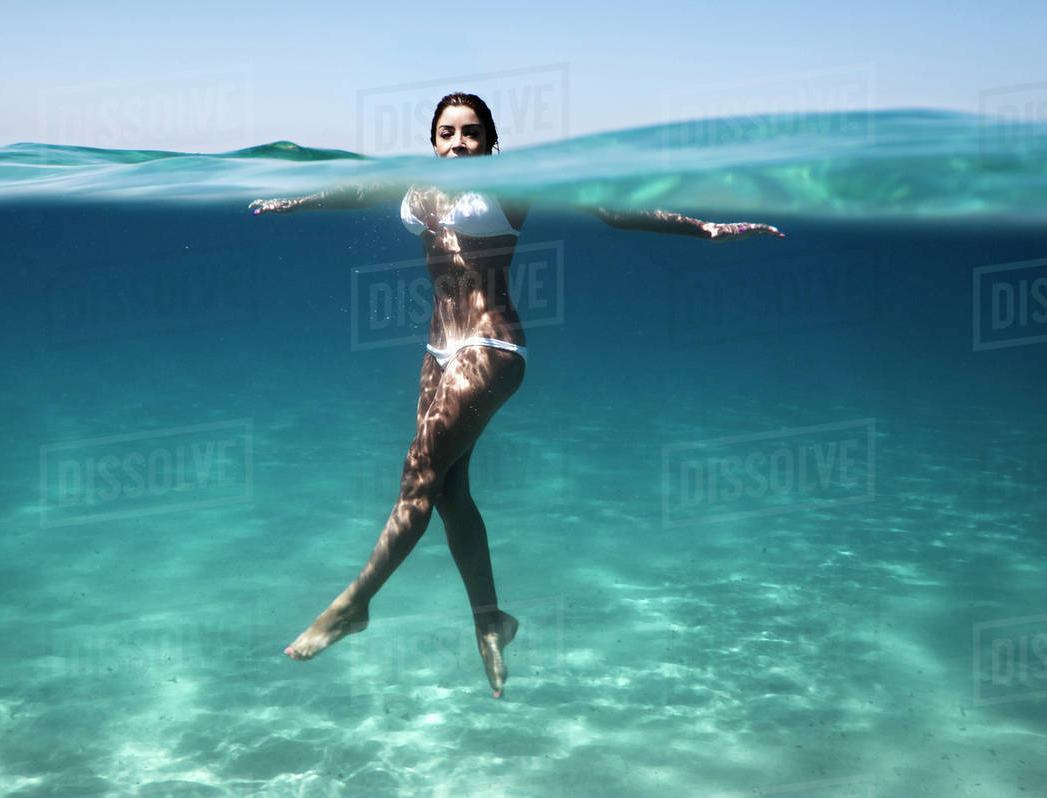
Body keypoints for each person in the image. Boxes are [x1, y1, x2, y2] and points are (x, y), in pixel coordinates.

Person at [250, 93, 783, 698]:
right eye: (446, 134)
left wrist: (702, 227)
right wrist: (297, 204)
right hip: (438, 349)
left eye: (471, 134)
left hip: (492, 346)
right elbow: (358, 192)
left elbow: (610, 210)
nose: (457, 145)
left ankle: (354, 605)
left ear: (491, 143)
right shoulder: (419, 182)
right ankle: (491, 623)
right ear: (431, 142)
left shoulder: (509, 187)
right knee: (449, 491)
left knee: (418, 473)